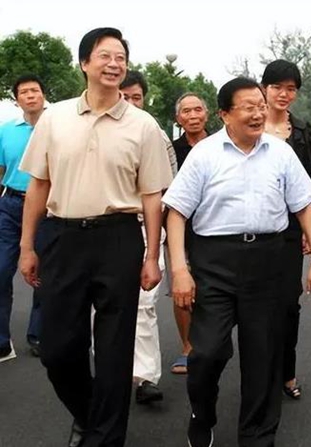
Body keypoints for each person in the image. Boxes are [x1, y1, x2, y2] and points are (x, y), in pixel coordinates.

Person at [18, 28, 172, 447]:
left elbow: (152, 195)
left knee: (114, 351)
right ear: (84, 63)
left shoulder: (143, 125)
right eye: (105, 56)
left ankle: (105, 438)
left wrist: (152, 255)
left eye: (121, 57)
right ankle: (89, 416)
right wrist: (27, 246)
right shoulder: (55, 118)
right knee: (57, 349)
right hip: (62, 237)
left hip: (118, 238)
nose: (114, 64)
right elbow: (38, 185)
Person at [162, 77, 311, 447]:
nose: (257, 114)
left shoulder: (280, 152)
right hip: (214, 261)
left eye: (260, 106)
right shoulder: (205, 154)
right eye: (248, 107)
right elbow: (177, 212)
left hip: (267, 261)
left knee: (263, 356)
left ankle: (257, 435)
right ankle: (202, 413)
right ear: (224, 114)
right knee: (207, 352)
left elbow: (304, 206)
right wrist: (179, 269)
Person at [120, 70, 178, 404]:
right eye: (124, 96)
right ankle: (112, 370)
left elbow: (168, 187)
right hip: (102, 229)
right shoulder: (93, 130)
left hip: (145, 227)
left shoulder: (155, 134)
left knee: (144, 304)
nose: (130, 103)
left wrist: (159, 244)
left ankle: (144, 377)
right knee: (103, 306)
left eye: (136, 97)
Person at [261, 59, 311, 400]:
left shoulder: (302, 131)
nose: (284, 94)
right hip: (254, 227)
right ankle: (261, 372)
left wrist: (309, 232)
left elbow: (307, 183)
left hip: (290, 230)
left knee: (288, 303)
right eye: (277, 87)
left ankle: (287, 372)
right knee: (257, 304)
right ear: (264, 88)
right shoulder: (251, 124)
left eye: (291, 89)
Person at [0, 74, 46, 362]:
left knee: (42, 273)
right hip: (11, 205)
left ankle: (38, 334)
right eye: (24, 92)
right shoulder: (6, 131)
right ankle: (1, 340)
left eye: (35, 90)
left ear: (43, 95)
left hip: (45, 208)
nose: (30, 95)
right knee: (1, 270)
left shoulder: (55, 128)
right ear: (17, 100)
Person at [169, 91, 211, 375]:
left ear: (207, 114)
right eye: (187, 111)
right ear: (178, 118)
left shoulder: (221, 144)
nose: (193, 116)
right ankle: (187, 348)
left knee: (211, 290)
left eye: (198, 110)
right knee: (182, 288)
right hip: (180, 228)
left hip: (213, 230)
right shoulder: (170, 150)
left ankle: (209, 343)